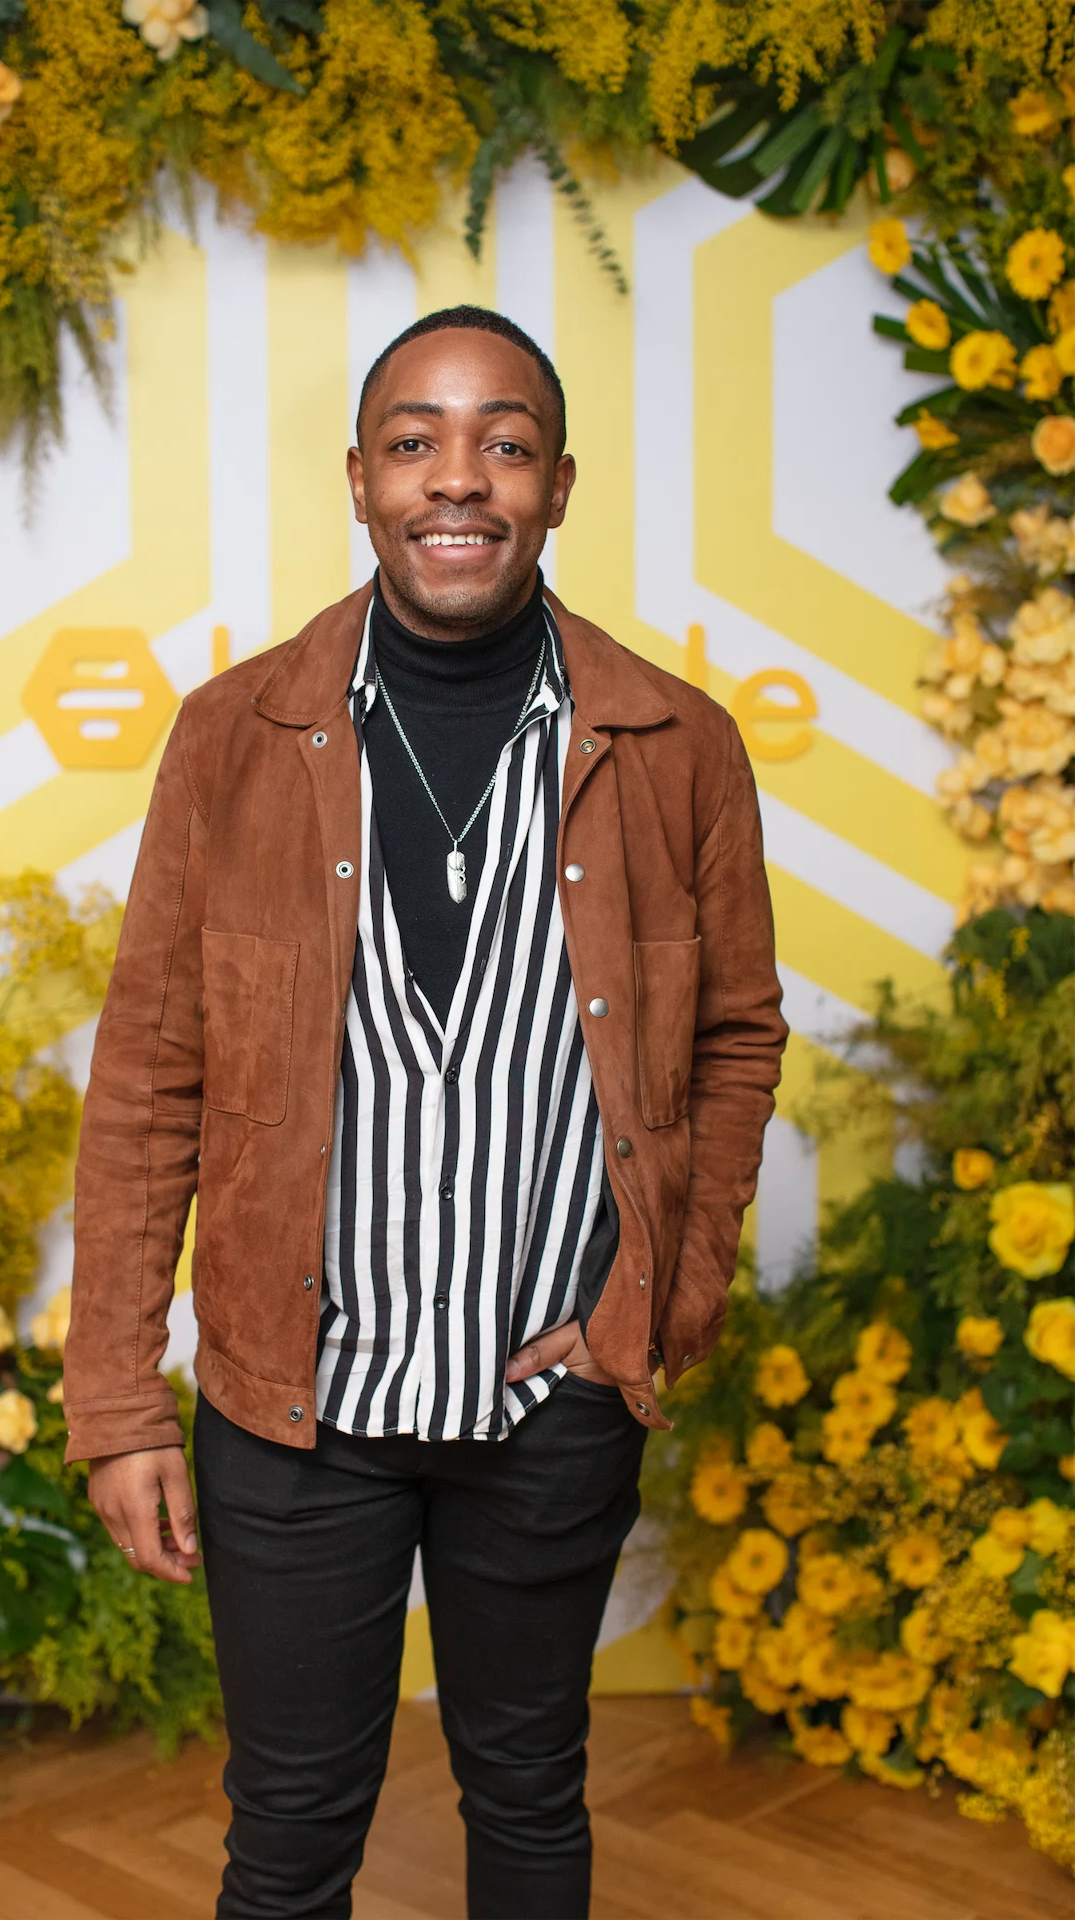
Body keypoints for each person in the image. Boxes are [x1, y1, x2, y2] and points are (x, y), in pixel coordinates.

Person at [63, 304, 788, 1920]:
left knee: (529, 1795)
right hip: (293, 1407)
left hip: (553, 1403)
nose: (459, 478)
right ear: (360, 478)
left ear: (559, 484)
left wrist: (660, 1303)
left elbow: (737, 1038)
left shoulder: (678, 745)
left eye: (505, 443)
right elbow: (149, 1075)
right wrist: (117, 1403)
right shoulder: (233, 737)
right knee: (288, 1836)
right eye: (416, 441)